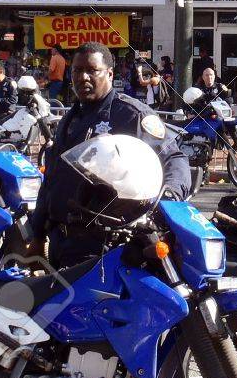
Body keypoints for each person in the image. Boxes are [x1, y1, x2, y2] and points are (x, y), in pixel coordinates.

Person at [29, 42, 189, 266]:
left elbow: (174, 159)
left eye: (92, 71)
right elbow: (52, 180)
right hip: (60, 242)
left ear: (110, 74)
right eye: (77, 70)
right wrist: (37, 234)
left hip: (103, 247)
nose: (83, 77)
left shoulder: (131, 115)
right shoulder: (68, 119)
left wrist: (167, 201)